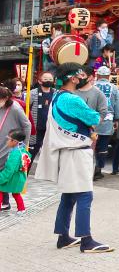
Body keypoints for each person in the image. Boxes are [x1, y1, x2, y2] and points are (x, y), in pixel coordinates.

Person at [35, 63, 111, 252]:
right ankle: (86, 240)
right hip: (77, 151)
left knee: (69, 196)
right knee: (85, 194)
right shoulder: (72, 99)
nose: (83, 78)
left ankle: (63, 237)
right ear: (72, 78)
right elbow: (94, 118)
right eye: (80, 75)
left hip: (67, 151)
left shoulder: (57, 96)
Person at [74, 67, 110, 181]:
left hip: (89, 132)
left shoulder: (98, 94)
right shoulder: (72, 92)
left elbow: (103, 112)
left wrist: (93, 125)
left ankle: (86, 182)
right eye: (78, 75)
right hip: (71, 131)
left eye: (82, 75)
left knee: (87, 158)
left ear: (90, 77)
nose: (79, 78)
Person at [0, 129, 30, 216]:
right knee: (16, 193)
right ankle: (21, 209)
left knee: (1, 189)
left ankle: (20, 209)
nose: (7, 141)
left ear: (15, 141)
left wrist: (1, 177)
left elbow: (10, 170)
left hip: (13, 177)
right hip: (19, 177)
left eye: (9, 139)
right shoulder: (21, 150)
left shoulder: (15, 154)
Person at [28, 71, 55, 167]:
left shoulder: (56, 93)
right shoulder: (32, 93)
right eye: (45, 79)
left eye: (50, 79)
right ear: (40, 81)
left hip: (52, 129)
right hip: (36, 128)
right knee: (31, 153)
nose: (48, 81)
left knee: (52, 154)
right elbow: (26, 109)